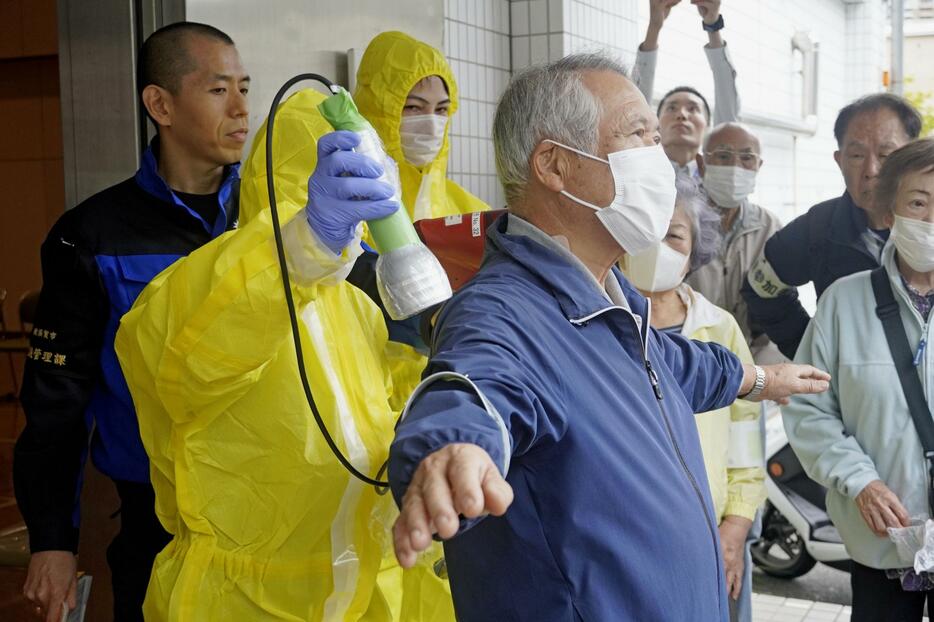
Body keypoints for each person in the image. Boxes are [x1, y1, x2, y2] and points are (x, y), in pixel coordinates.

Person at [386, 53, 829, 622]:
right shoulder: (504, 312)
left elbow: (672, 365)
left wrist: (760, 378)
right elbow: (472, 388)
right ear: (555, 165)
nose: (660, 154)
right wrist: (453, 451)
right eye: (636, 134)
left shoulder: (608, 298)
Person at [114, 86, 456, 621]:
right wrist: (305, 243)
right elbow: (191, 362)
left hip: (366, 595)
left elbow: (379, 422)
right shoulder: (197, 290)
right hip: (244, 604)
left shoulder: (358, 310)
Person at [13, 22, 248, 622]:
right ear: (160, 104)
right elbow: (55, 407)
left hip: (271, 515)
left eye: (245, 87)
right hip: (153, 521)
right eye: (220, 90)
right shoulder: (91, 234)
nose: (243, 108)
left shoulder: (276, 218)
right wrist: (52, 542)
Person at [784, 138, 934, 621]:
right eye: (918, 202)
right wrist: (860, 481)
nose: (932, 219)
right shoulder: (843, 303)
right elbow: (810, 409)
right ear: (888, 213)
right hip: (882, 537)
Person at [621, 177, 766, 621]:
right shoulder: (593, 322)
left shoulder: (719, 329)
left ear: (693, 254)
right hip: (626, 532)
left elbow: (745, 439)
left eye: (673, 235)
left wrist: (736, 527)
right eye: (644, 229)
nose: (656, 245)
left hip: (707, 530)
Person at [742, 94, 923, 359]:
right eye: (857, 155)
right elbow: (760, 289)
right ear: (839, 160)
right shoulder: (818, 228)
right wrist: (813, 350)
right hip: (852, 394)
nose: (871, 169)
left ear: (910, 157)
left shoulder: (927, 228)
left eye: (886, 154)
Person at [687, 122, 784, 364]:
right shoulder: (677, 220)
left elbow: (778, 306)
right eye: (722, 156)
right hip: (685, 359)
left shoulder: (768, 226)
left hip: (747, 363)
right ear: (702, 163)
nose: (735, 167)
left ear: (758, 166)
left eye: (747, 158)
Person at [633, 0, 740, 177]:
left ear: (708, 128)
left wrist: (713, 24)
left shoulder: (720, 181)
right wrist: (654, 26)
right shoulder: (641, 174)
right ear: (656, 126)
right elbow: (636, 109)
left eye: (693, 109)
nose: (682, 114)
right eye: (671, 108)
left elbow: (727, 93)